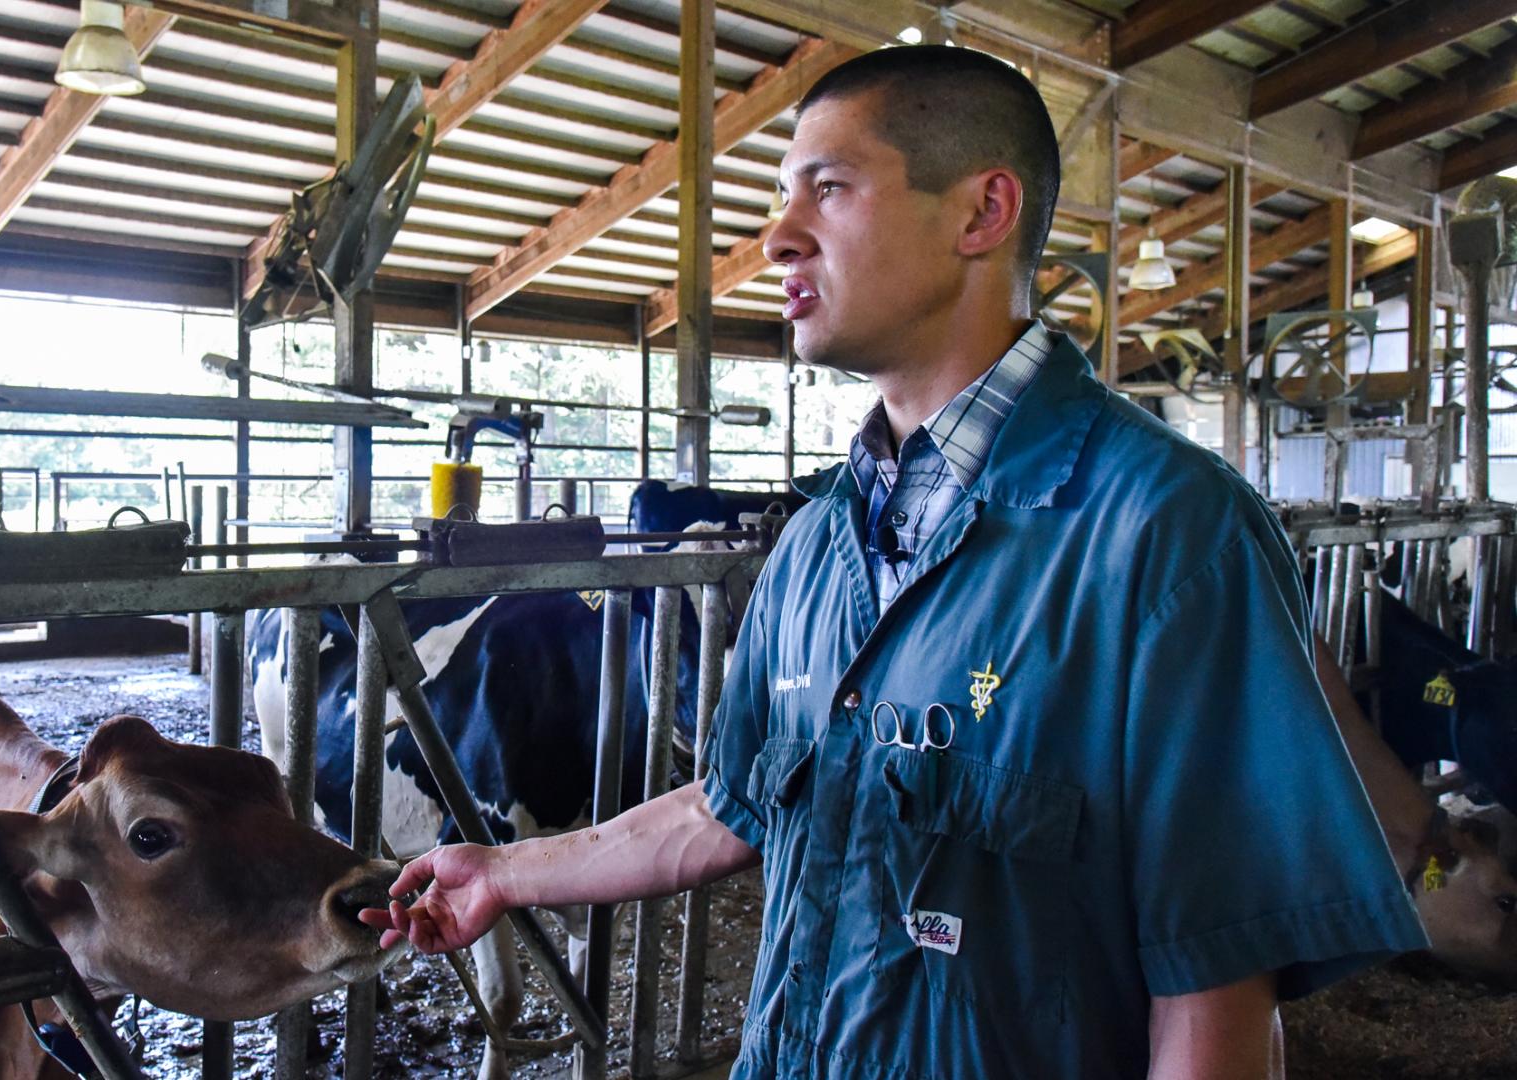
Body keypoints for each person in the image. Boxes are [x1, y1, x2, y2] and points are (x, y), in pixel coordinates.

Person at [361, 45, 1425, 1079]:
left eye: (827, 189)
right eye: (784, 196)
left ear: (981, 212)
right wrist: (504, 869)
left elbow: (1215, 996)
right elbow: (726, 809)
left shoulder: (1165, 532)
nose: (777, 237)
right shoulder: (819, 539)